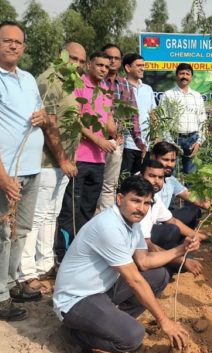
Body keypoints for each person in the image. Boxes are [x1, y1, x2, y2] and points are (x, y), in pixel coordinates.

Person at [53, 176, 197, 352]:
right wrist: (164, 321)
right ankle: (75, 335)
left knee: (159, 276)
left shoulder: (132, 223)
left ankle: (111, 325)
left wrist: (181, 249)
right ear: (119, 198)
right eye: (135, 201)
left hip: (102, 290)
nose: (141, 209)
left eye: (146, 203)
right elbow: (134, 280)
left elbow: (144, 261)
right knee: (132, 337)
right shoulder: (109, 227)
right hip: (76, 299)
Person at [0, 21, 53, 321]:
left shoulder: (28, 79)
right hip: (5, 172)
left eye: (18, 42)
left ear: (24, 46)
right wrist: (3, 176)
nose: (13, 46)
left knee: (20, 230)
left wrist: (43, 116)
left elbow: (38, 114)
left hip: (31, 168)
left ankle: (8, 283)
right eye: (7, 40)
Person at [16, 42, 83, 292]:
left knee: (50, 216)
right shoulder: (49, 81)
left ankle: (44, 264)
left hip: (62, 163)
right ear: (60, 55)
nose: (75, 64)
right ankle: (27, 271)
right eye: (72, 58)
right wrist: (63, 159)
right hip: (46, 161)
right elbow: (49, 125)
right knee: (35, 217)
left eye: (79, 60)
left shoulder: (70, 83)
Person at [54, 51, 116, 264]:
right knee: (70, 209)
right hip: (79, 157)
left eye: (106, 67)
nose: (103, 69)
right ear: (89, 64)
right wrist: (99, 140)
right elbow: (76, 120)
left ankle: (79, 254)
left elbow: (107, 118)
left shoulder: (106, 88)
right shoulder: (78, 85)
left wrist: (115, 132)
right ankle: (62, 256)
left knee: (88, 209)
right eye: (99, 65)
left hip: (99, 160)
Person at [97, 43, 144, 211]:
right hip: (93, 139)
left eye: (116, 58)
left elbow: (133, 115)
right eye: (109, 57)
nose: (112, 61)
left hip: (116, 141)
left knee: (110, 184)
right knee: (92, 182)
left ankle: (104, 221)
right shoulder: (94, 82)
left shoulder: (124, 85)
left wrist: (140, 142)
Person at [139, 160, 206, 276]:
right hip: (137, 252)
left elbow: (172, 220)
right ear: (140, 176)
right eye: (151, 176)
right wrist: (181, 260)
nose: (156, 181)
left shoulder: (154, 199)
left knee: (174, 229)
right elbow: (147, 245)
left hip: (145, 243)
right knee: (163, 274)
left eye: (160, 178)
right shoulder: (139, 205)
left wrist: (196, 236)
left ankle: (165, 263)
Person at [150, 141, 210, 228]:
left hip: (164, 219)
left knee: (194, 211)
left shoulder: (171, 180)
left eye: (173, 160)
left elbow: (190, 196)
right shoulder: (144, 178)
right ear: (154, 157)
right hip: (150, 224)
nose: (170, 164)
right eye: (165, 160)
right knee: (174, 229)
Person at [159, 63, 207, 174]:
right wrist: (169, 141)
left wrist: (199, 142)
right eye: (181, 73)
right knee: (170, 174)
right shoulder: (168, 95)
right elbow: (162, 120)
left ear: (191, 77)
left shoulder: (197, 96)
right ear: (176, 76)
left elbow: (202, 120)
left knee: (191, 175)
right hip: (173, 138)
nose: (184, 76)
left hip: (193, 139)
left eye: (187, 74)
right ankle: (171, 192)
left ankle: (189, 191)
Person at [120, 53, 155, 175]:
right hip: (126, 143)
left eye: (143, 65)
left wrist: (156, 137)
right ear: (128, 68)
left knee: (140, 181)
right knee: (123, 180)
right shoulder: (120, 87)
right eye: (138, 65)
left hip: (145, 144)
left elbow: (153, 114)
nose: (142, 68)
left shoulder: (148, 89)